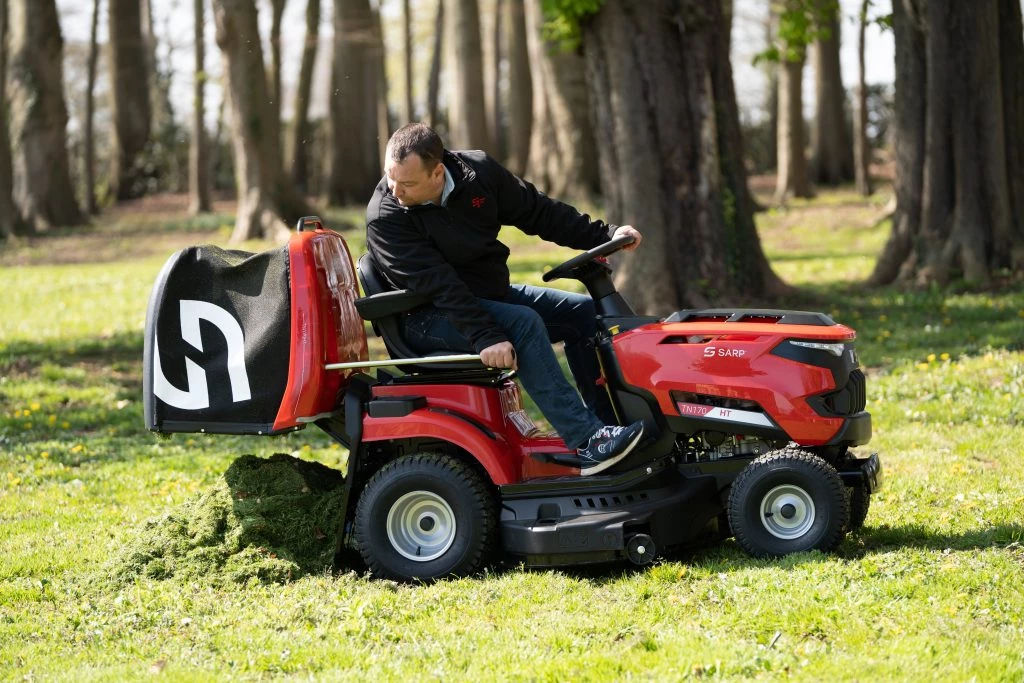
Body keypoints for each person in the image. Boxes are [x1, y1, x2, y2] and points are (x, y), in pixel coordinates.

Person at [365, 122, 645, 476]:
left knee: (582, 314)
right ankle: (589, 440)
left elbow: (537, 211)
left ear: (438, 171)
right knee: (523, 322)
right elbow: (441, 286)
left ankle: (610, 429)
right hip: (425, 317)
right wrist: (485, 335)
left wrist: (602, 234)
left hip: (485, 297)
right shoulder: (385, 218)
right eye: (391, 179)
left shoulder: (478, 172)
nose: (396, 190)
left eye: (407, 183)